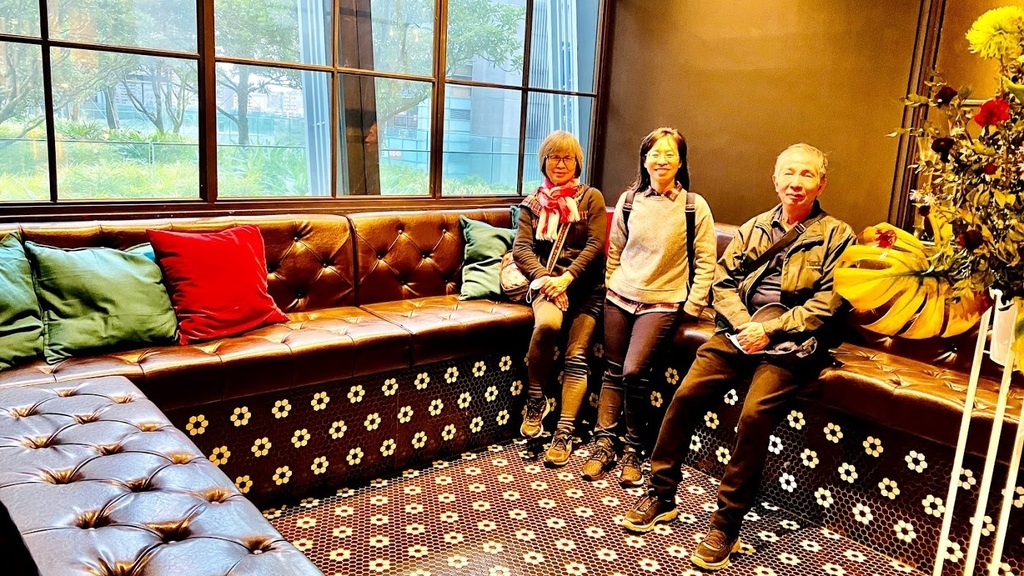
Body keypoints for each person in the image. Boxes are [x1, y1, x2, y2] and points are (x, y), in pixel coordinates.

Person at [622, 143, 855, 571]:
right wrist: (745, 324)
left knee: (753, 416)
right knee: (684, 397)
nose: (796, 182)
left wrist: (770, 329)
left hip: (791, 345)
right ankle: (661, 493)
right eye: (789, 173)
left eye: (806, 174)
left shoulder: (838, 236)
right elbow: (723, 281)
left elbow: (830, 303)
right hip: (739, 332)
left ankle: (725, 527)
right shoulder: (756, 227)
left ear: (821, 184)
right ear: (775, 180)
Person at [580, 127, 717, 486]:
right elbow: (615, 250)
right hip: (620, 296)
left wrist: (693, 305)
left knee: (633, 371)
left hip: (663, 301)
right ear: (644, 160)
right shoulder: (629, 200)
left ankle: (633, 449)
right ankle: (604, 443)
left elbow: (706, 261)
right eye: (655, 153)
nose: (661, 160)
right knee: (612, 371)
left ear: (681, 162)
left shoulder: (693, 205)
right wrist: (613, 282)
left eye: (670, 154)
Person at [513, 130, 607, 467]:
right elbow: (521, 248)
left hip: (585, 288)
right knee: (547, 326)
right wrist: (546, 279)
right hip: (547, 285)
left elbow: (596, 245)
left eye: (568, 158)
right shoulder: (532, 204)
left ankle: (564, 432)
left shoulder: (590, 198)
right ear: (544, 162)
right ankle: (535, 401)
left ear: (578, 163)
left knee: (577, 356)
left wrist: (567, 278)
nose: (561, 164)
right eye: (554, 157)